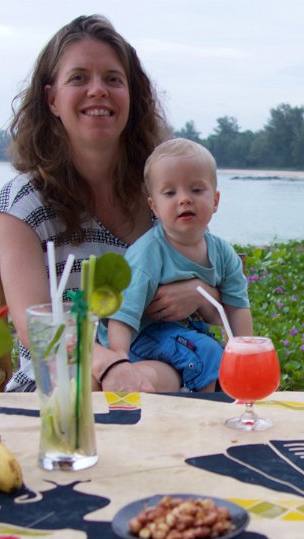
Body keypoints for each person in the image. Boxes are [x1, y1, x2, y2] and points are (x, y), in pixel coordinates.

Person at [0, 15, 222, 393]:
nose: (98, 90)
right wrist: (108, 364)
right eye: (79, 78)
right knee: (103, 384)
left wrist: (197, 291)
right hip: (58, 385)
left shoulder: (163, 191)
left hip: (162, 371)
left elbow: (212, 290)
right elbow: (35, 329)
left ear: (132, 95)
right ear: (52, 99)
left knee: (168, 375)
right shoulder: (24, 203)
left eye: (113, 79)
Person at [106, 139, 252, 392]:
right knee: (206, 352)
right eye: (170, 193)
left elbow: (236, 308)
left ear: (215, 200)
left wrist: (245, 351)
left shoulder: (223, 253)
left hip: (181, 332)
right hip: (139, 336)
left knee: (216, 351)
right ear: (155, 206)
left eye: (196, 190)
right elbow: (122, 314)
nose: (184, 199)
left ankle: (222, 397)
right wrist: (118, 361)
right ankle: (206, 410)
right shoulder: (149, 253)